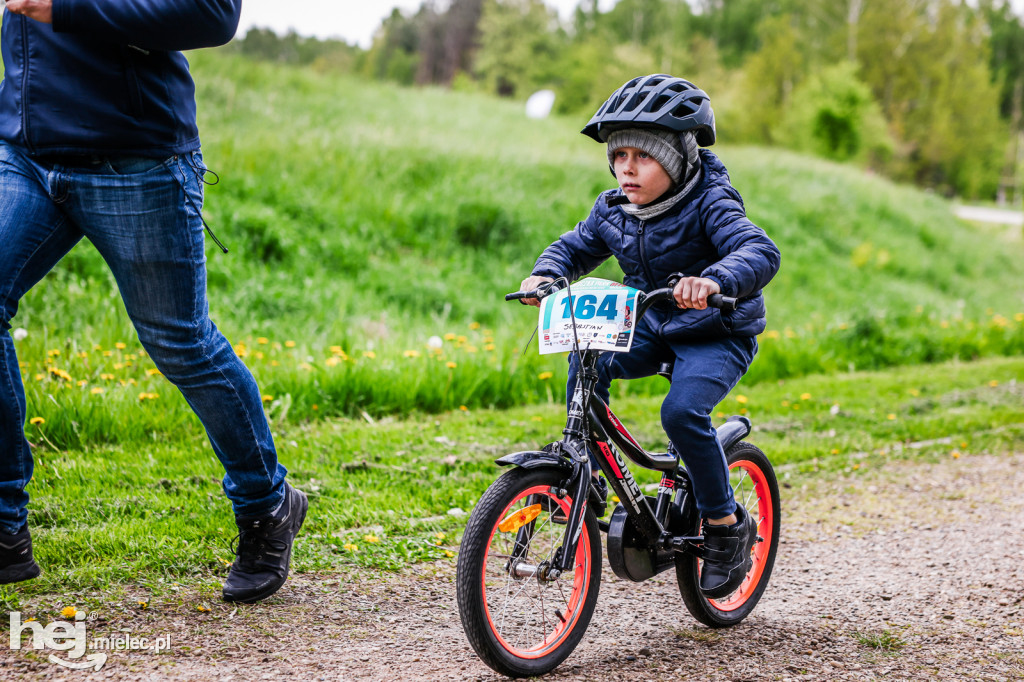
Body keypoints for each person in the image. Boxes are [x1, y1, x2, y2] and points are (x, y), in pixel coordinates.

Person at [0, 0, 306, 603]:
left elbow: (212, 15)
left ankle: (267, 503)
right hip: (27, 152)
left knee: (181, 344)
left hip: (137, 160)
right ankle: (5, 524)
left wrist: (64, 10)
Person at [519, 74, 780, 598]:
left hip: (716, 330)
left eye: (644, 156)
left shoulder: (711, 200)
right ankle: (583, 469)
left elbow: (759, 250)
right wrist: (544, 274)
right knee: (586, 351)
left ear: (679, 158)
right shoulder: (613, 207)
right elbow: (572, 248)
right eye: (619, 156)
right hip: (654, 322)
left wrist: (715, 281)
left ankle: (725, 527)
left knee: (681, 413)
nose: (626, 168)